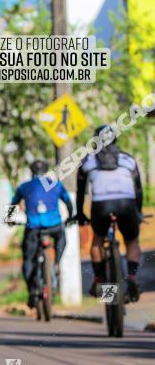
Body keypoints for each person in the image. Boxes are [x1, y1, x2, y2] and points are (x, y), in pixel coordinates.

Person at [75, 125, 145, 302]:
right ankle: (132, 277)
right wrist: (138, 212)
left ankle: (99, 280)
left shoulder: (87, 161)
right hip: (126, 203)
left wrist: (80, 215)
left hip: (101, 206)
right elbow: (138, 189)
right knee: (131, 241)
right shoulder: (128, 159)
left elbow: (80, 192)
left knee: (98, 240)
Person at [12, 160, 74, 308]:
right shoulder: (55, 184)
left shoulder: (24, 187)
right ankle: (57, 263)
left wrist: (10, 220)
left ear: (31, 171)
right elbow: (68, 201)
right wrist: (70, 217)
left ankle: (32, 292)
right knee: (62, 239)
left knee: (28, 259)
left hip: (33, 228)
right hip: (54, 227)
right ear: (46, 171)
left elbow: (13, 203)